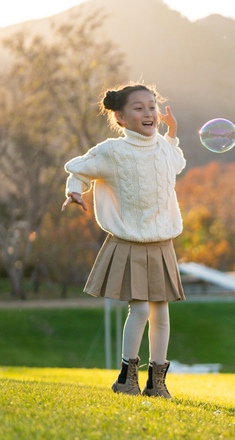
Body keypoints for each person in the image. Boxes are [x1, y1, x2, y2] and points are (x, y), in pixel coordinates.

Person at [62, 83, 186, 399]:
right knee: (141, 310)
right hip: (130, 242)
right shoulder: (112, 151)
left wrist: (172, 134)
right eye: (139, 107)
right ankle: (126, 378)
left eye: (152, 106)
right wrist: (74, 189)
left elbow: (177, 165)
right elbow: (80, 168)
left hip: (161, 243)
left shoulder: (162, 148)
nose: (149, 113)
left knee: (162, 313)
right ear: (119, 116)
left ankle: (157, 382)